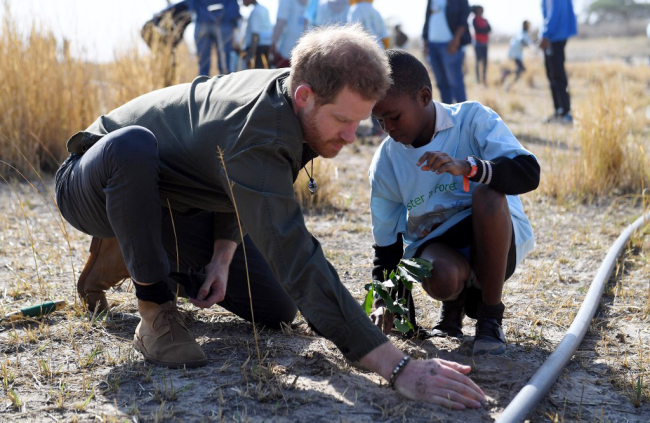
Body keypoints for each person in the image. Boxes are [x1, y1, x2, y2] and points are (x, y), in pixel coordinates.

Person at [55, 25, 485, 409]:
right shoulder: (261, 127)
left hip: (178, 201)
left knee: (277, 308)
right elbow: (295, 255)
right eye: (342, 120)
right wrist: (397, 366)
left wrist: (222, 259)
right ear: (305, 97)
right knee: (131, 148)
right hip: (96, 178)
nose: (351, 137)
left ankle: (134, 253)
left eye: (360, 123)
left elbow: (231, 181)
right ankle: (153, 308)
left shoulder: (299, 105)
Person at [368, 49, 539, 356]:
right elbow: (387, 247)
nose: (389, 129)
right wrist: (395, 311)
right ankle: (453, 308)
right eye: (379, 121)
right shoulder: (387, 161)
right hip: (437, 249)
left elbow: (529, 173)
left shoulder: (473, 119)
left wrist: (471, 167)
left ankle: (489, 318)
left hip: (497, 239)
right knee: (442, 276)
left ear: (424, 96)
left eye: (394, 117)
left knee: (488, 194)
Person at [422, 0, 471, 104]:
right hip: (432, 44)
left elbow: (464, 18)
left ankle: (462, 116)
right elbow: (427, 18)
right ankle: (447, 115)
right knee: (441, 84)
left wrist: (456, 40)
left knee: (455, 83)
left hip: (449, 44)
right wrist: (426, 42)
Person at [539, 0, 577, 124]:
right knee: (553, 74)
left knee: (557, 75)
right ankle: (559, 111)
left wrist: (545, 34)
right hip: (554, 36)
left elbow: (554, 14)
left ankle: (565, 112)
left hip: (554, 37)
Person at [187, 0, 241, 76]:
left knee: (203, 66)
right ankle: (224, 84)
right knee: (224, 67)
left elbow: (191, 8)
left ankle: (203, 84)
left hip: (203, 18)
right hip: (224, 20)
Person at [272, 0, 308, 68]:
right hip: (305, 52)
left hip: (286, 52)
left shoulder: (285, 1)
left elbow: (280, 23)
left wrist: (273, 46)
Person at [241, 0, 273, 69]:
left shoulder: (255, 12)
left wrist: (251, 55)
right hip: (267, 45)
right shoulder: (264, 9)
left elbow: (255, 35)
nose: (242, 2)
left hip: (258, 48)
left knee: (258, 72)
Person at [501, 20, 532, 89]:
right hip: (515, 54)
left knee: (521, 70)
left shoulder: (522, 33)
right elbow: (522, 40)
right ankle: (507, 76)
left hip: (515, 54)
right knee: (521, 70)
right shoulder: (522, 33)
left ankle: (508, 80)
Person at [471, 5, 490, 86]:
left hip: (485, 43)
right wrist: (483, 30)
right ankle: (478, 80)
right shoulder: (474, 20)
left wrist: (482, 30)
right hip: (478, 43)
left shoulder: (485, 20)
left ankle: (484, 79)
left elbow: (489, 29)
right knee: (478, 61)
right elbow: (477, 29)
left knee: (485, 62)